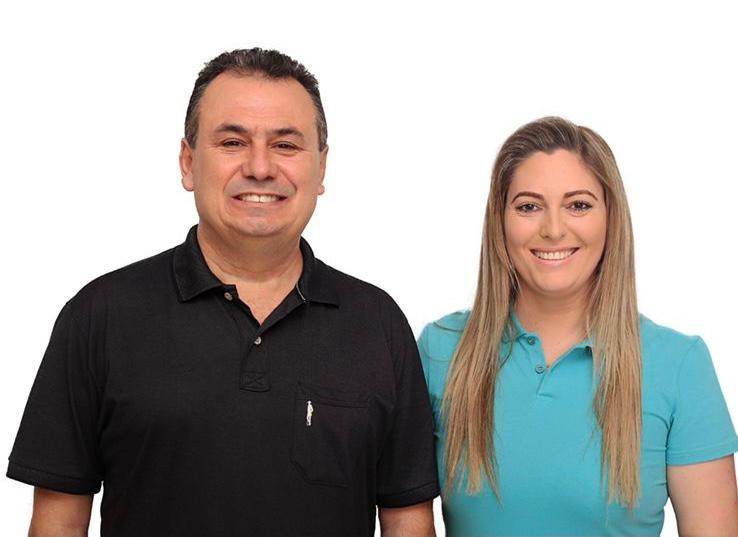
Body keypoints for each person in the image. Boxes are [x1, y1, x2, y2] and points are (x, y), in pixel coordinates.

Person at [8, 48, 438, 537]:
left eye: (286, 145)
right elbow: (59, 524)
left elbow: (408, 522)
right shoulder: (99, 317)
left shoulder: (377, 323)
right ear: (188, 162)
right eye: (233, 142)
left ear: (321, 168)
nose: (260, 167)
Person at [418, 117, 738, 536]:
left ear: (611, 218)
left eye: (579, 205)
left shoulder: (679, 365)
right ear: (500, 221)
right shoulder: (441, 351)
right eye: (529, 206)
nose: (553, 230)